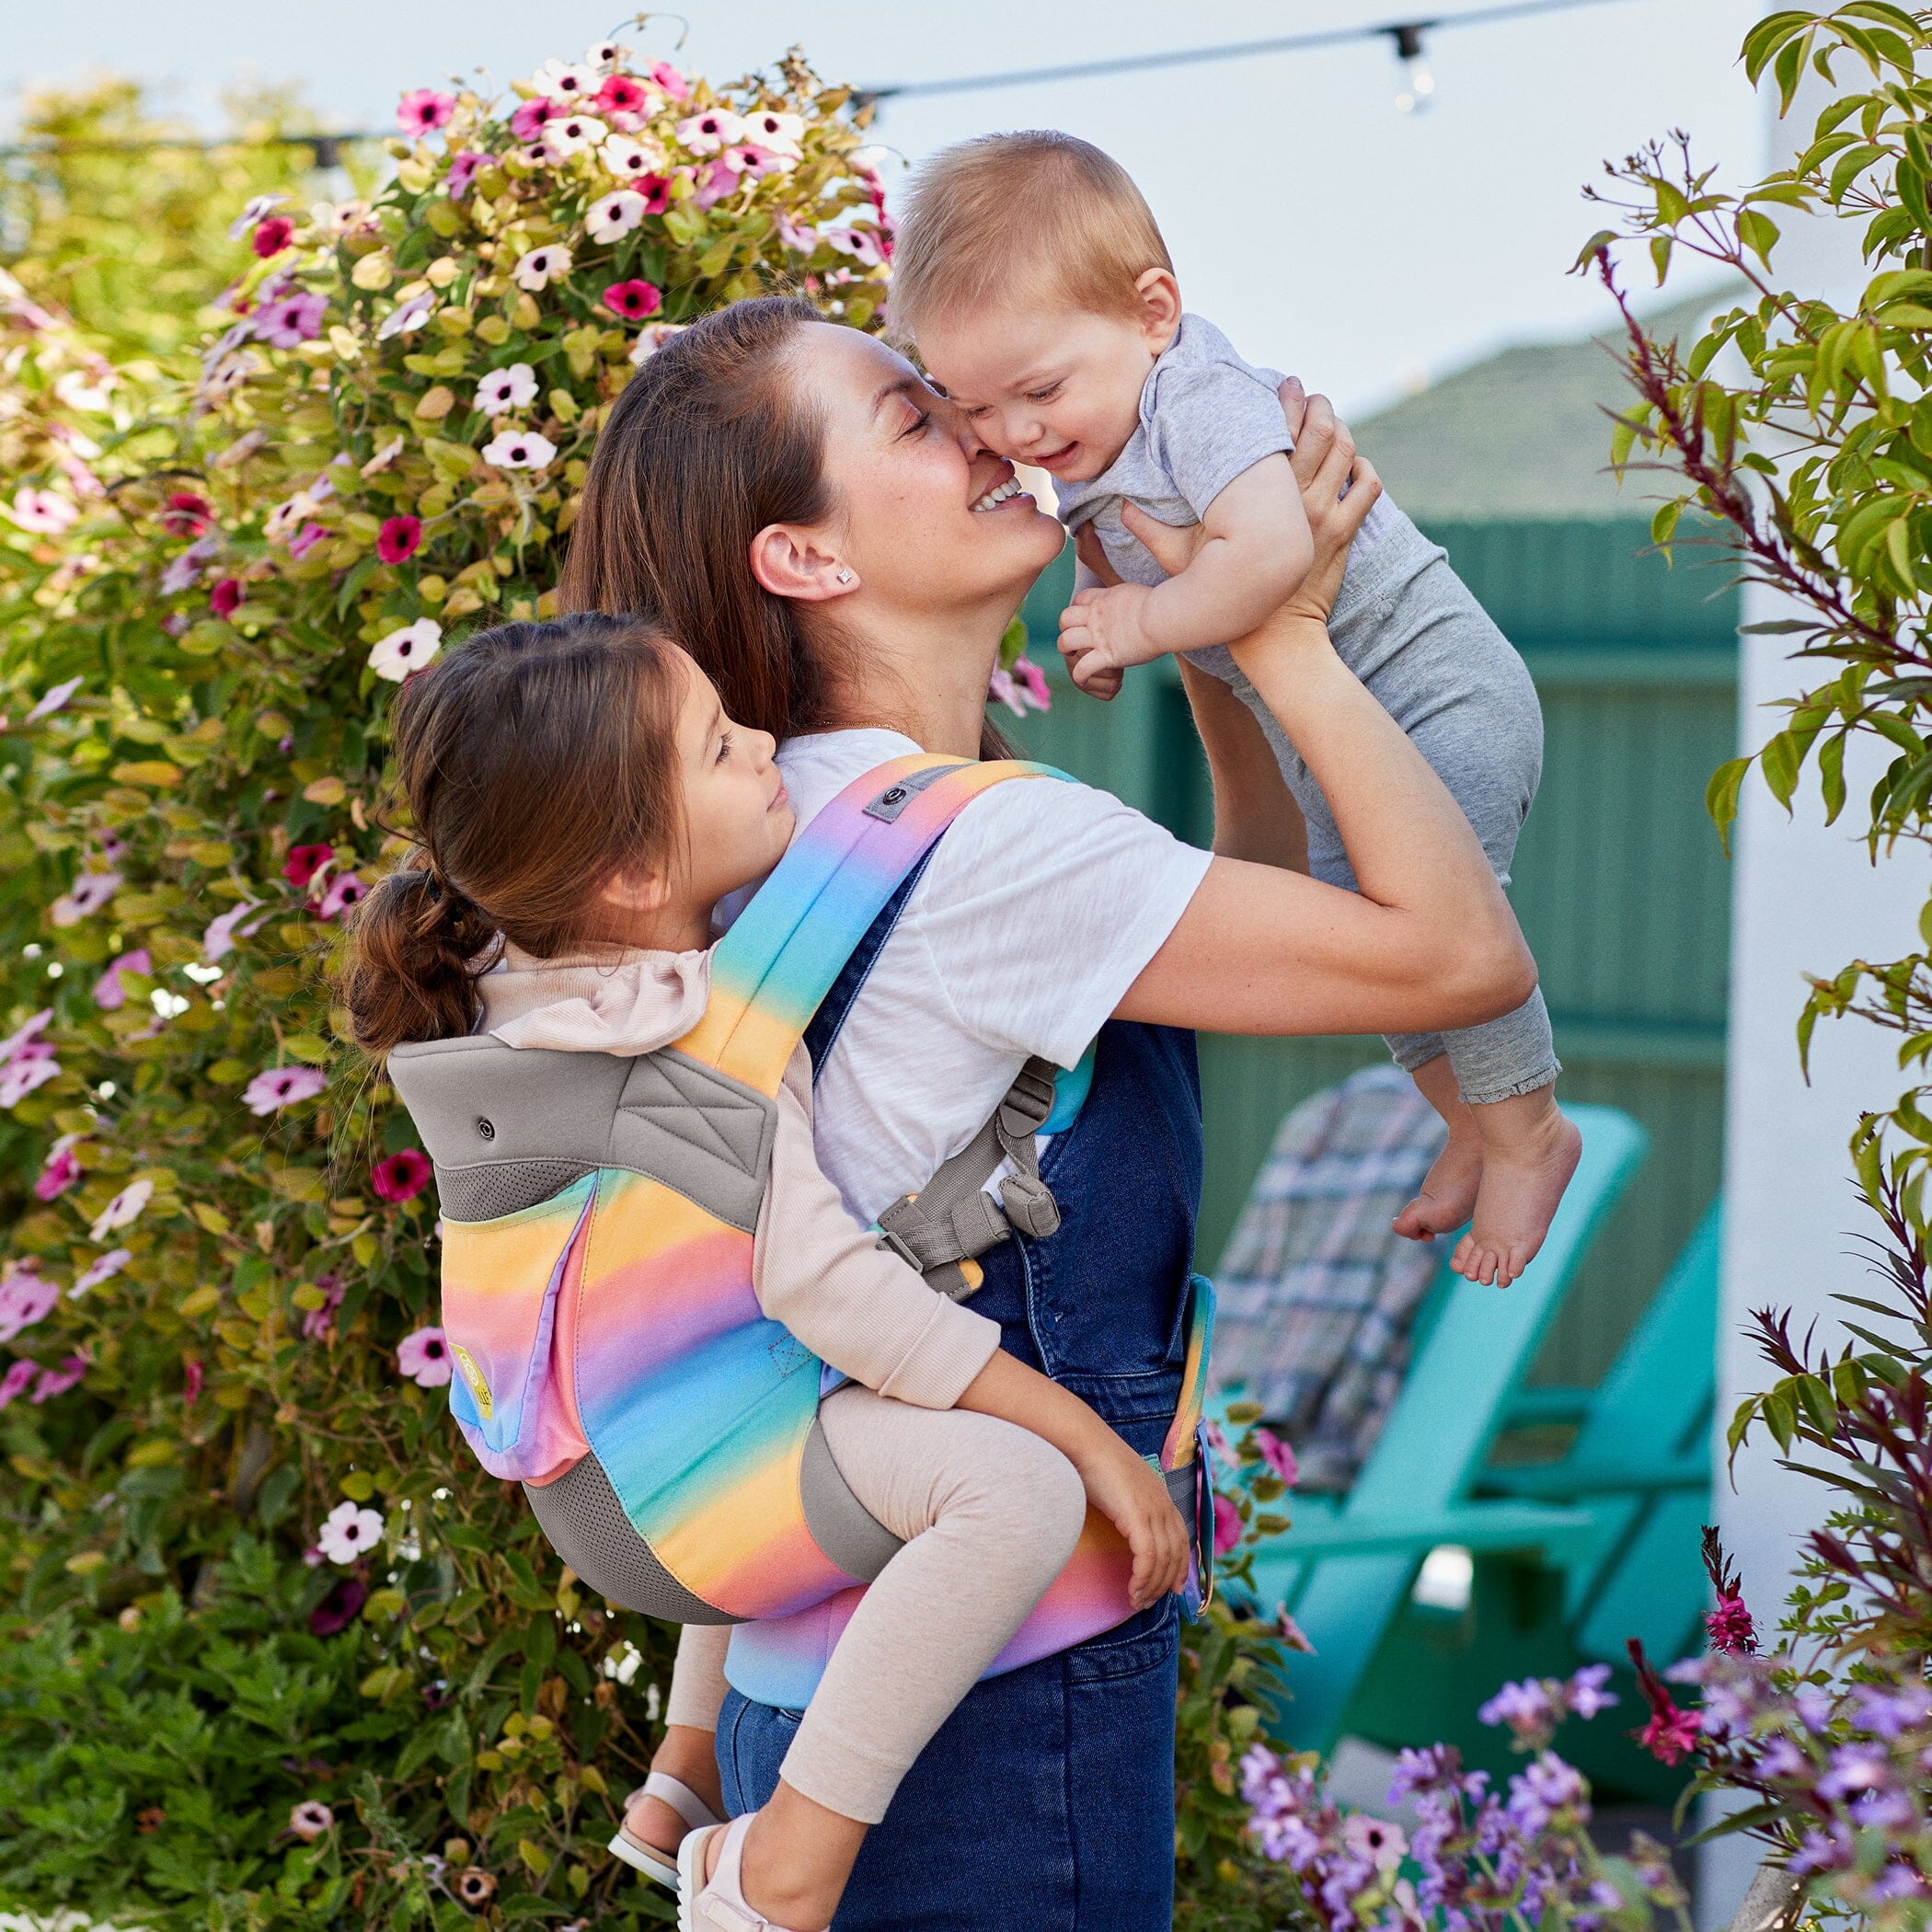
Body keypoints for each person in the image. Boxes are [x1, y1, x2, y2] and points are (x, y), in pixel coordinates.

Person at [558, 294, 1538, 1932]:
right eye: (916, 421)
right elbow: (1455, 954)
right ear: (803, 557)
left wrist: (1195, 635)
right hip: (1009, 1706)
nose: (988, 430)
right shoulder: (994, 855)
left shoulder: (795, 812)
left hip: (829, 1678)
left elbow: (1230, 905)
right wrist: (1287, 631)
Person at [341, 613, 1194, 1932]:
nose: (762, 751)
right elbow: (840, 1300)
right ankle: (792, 1854)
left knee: (748, 1371)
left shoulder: (525, 983)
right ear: (628, 870)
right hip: (690, 1500)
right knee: (1012, 1488)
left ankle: (681, 1772)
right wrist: (1090, 1441)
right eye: (719, 745)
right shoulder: (698, 1055)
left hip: (598, 1467)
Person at [891, 130, 1581, 1292]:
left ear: (1154, 310)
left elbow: (1268, 556)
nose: (1013, 435)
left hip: (1433, 689)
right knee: (1378, 941)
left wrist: (1146, 627)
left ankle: (1532, 1133)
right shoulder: (1101, 434)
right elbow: (1137, 567)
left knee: (1449, 925)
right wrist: (1111, 618)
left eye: (1038, 392)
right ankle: (1472, 1123)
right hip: (1339, 728)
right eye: (974, 407)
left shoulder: (1200, 402)